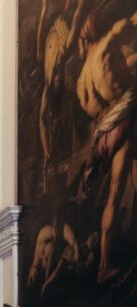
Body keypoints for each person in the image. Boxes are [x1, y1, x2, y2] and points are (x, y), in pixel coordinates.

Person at [74, 11, 137, 283]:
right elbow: (131, 23)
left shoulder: (80, 82)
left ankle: (103, 266)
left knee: (115, 190)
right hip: (124, 116)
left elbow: (110, 82)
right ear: (93, 29)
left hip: (103, 134)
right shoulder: (107, 43)